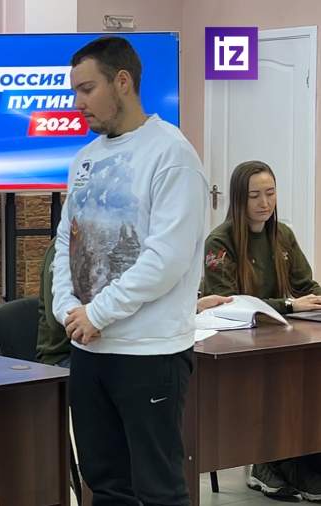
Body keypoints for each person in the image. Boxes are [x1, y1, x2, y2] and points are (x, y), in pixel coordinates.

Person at [51, 36, 208, 505]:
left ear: (122, 82)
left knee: (159, 489)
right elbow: (66, 242)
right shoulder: (84, 159)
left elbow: (166, 259)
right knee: (105, 485)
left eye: (87, 89)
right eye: (75, 91)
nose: (78, 103)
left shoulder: (172, 154)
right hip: (88, 348)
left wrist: (98, 313)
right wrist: (66, 309)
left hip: (149, 353)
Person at [203, 160, 321, 502]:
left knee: (309, 378)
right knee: (276, 384)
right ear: (239, 198)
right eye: (254, 195)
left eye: (270, 193)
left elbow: (306, 286)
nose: (264, 203)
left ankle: (303, 460)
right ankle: (267, 461)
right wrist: (289, 305)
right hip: (236, 344)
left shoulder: (282, 235)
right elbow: (227, 303)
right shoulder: (220, 241)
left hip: (283, 337)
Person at [37, 239, 231, 368]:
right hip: (65, 357)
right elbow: (62, 320)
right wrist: (100, 320)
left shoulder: (123, 248)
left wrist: (193, 307)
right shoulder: (64, 248)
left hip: (115, 346)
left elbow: (137, 298)